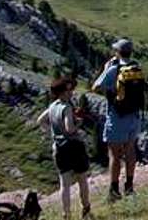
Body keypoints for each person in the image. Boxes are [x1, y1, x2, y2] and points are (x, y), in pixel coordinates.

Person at [92, 38, 145, 202]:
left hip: (116, 115)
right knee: (130, 150)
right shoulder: (136, 68)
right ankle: (129, 186)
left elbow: (95, 87)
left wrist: (105, 69)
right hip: (134, 116)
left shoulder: (114, 69)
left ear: (117, 52)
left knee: (114, 154)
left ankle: (114, 190)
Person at [36, 77, 92, 220]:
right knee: (82, 180)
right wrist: (78, 123)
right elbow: (70, 128)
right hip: (74, 147)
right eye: (69, 90)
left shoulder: (52, 106)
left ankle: (66, 214)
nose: (71, 92)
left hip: (59, 148)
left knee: (64, 184)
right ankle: (86, 210)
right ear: (63, 91)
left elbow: (40, 121)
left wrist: (53, 133)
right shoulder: (66, 108)